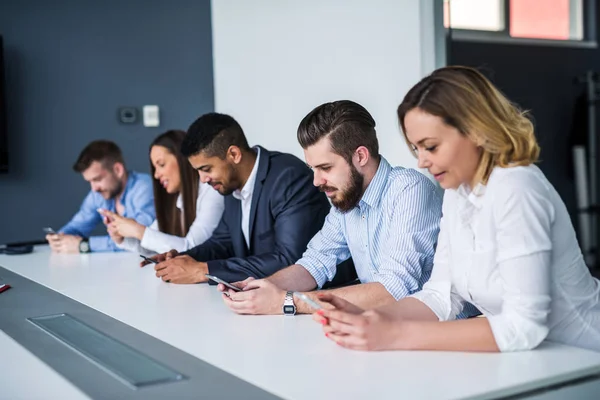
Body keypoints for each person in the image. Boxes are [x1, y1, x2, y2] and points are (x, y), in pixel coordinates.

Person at [314, 66, 600, 353]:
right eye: (417, 149)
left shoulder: (517, 186)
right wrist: (366, 316)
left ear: (476, 131)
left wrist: (396, 334)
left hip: (583, 353)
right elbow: (441, 295)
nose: (421, 162)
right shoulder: (456, 193)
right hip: (532, 358)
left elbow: (523, 325)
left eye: (431, 147)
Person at [217, 100, 443, 315]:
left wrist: (286, 302)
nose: (316, 181)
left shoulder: (409, 189)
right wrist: (263, 287)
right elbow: (315, 263)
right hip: (379, 328)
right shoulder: (346, 199)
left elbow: (393, 290)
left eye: (325, 167)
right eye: (313, 168)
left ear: (360, 156)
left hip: (436, 337)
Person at [144, 113, 331, 285]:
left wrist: (203, 271)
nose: (203, 179)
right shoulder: (230, 185)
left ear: (234, 154)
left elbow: (290, 260)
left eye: (206, 169)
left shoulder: (288, 177)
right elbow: (221, 243)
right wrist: (182, 258)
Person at [100, 130, 224, 254]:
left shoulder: (211, 192)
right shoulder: (176, 199)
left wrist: (138, 230)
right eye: (155, 168)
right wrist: (121, 238)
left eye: (161, 164)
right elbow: (150, 245)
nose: (156, 175)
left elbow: (192, 248)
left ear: (184, 160)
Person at [46, 140, 155, 253]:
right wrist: (60, 239)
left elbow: (139, 238)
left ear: (118, 170)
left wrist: (84, 245)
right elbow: (77, 226)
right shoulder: (98, 194)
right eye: (89, 181)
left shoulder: (144, 187)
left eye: (97, 179)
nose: (94, 188)